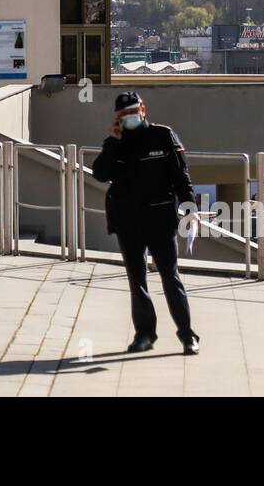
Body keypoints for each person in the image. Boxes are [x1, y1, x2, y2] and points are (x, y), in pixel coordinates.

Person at [91, 91, 200, 355]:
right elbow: (100, 173)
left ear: (143, 109)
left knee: (170, 276)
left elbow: (180, 175)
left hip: (160, 217)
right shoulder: (114, 143)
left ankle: (187, 335)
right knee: (136, 278)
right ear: (118, 118)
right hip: (127, 219)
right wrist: (115, 143)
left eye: (133, 111)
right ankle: (144, 334)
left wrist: (189, 207)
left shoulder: (163, 135)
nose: (130, 117)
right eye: (124, 114)